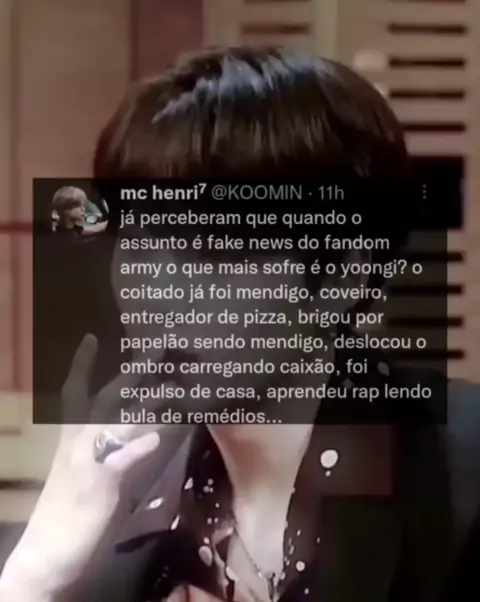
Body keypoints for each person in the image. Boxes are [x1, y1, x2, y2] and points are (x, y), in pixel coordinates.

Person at [1, 46, 480, 602]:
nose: (159, 294)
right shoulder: (110, 493)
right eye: (140, 241)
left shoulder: (459, 472)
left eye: (213, 250)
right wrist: (35, 573)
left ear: (342, 276)